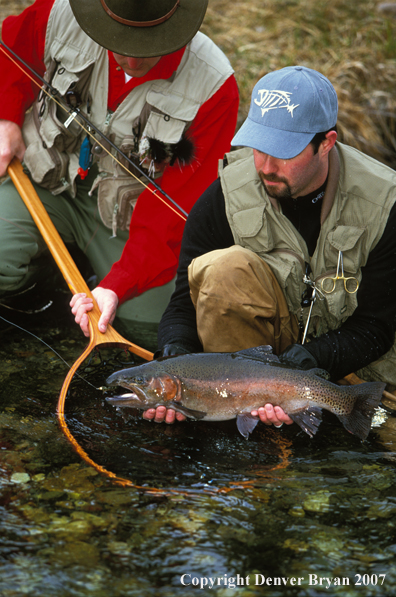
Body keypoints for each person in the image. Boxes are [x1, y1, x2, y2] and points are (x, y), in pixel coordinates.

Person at [148, 65, 396, 427]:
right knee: (221, 271)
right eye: (259, 146)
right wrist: (174, 366)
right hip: (255, 373)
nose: (265, 165)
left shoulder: (385, 204)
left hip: (358, 364)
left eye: (284, 151)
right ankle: (239, 417)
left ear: (325, 143)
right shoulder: (225, 196)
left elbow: (377, 327)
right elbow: (184, 301)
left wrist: (299, 368)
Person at [0, 0, 239, 334]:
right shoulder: (59, 14)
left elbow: (177, 212)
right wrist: (6, 117)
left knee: (150, 325)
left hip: (129, 224)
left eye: (147, 45)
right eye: (120, 41)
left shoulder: (214, 87)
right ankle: (48, 268)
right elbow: (10, 49)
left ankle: (92, 274)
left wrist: (119, 284)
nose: (132, 59)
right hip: (42, 182)